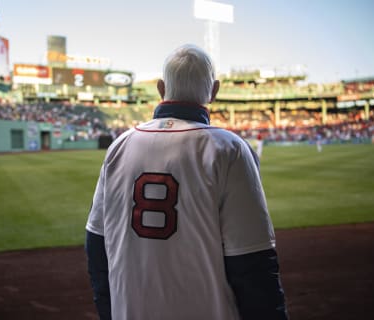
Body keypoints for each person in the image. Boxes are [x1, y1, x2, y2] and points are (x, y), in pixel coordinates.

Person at [85, 44, 288, 320]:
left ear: (160, 88)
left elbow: (97, 249)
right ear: (214, 91)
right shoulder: (229, 149)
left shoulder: (118, 147)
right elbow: (253, 265)